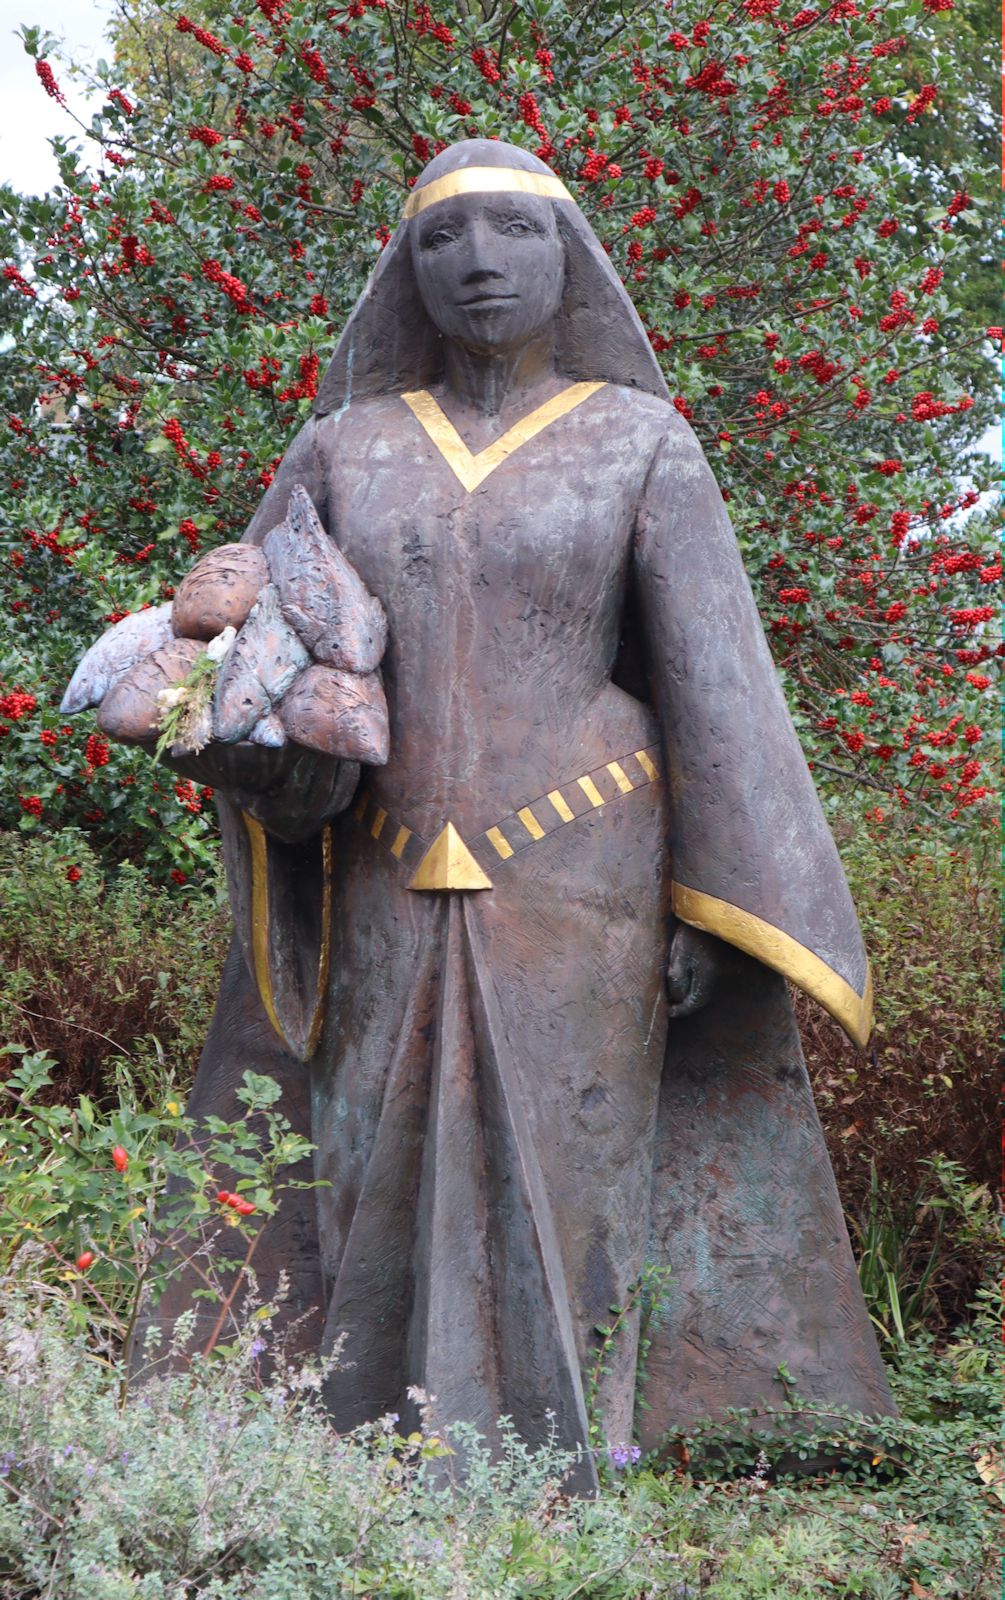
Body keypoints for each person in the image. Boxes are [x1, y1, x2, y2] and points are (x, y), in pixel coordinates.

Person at [70, 138, 893, 1491]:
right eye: (444, 240)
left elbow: (714, 687)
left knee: (571, 1179)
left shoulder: (640, 441)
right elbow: (253, 654)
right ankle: (366, 1476)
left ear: (567, 257)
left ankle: (566, 1485)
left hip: (589, 880)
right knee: (360, 1169)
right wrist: (219, 722)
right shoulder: (342, 445)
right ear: (407, 271)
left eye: (512, 232)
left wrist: (715, 901)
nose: (478, 265)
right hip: (380, 871)